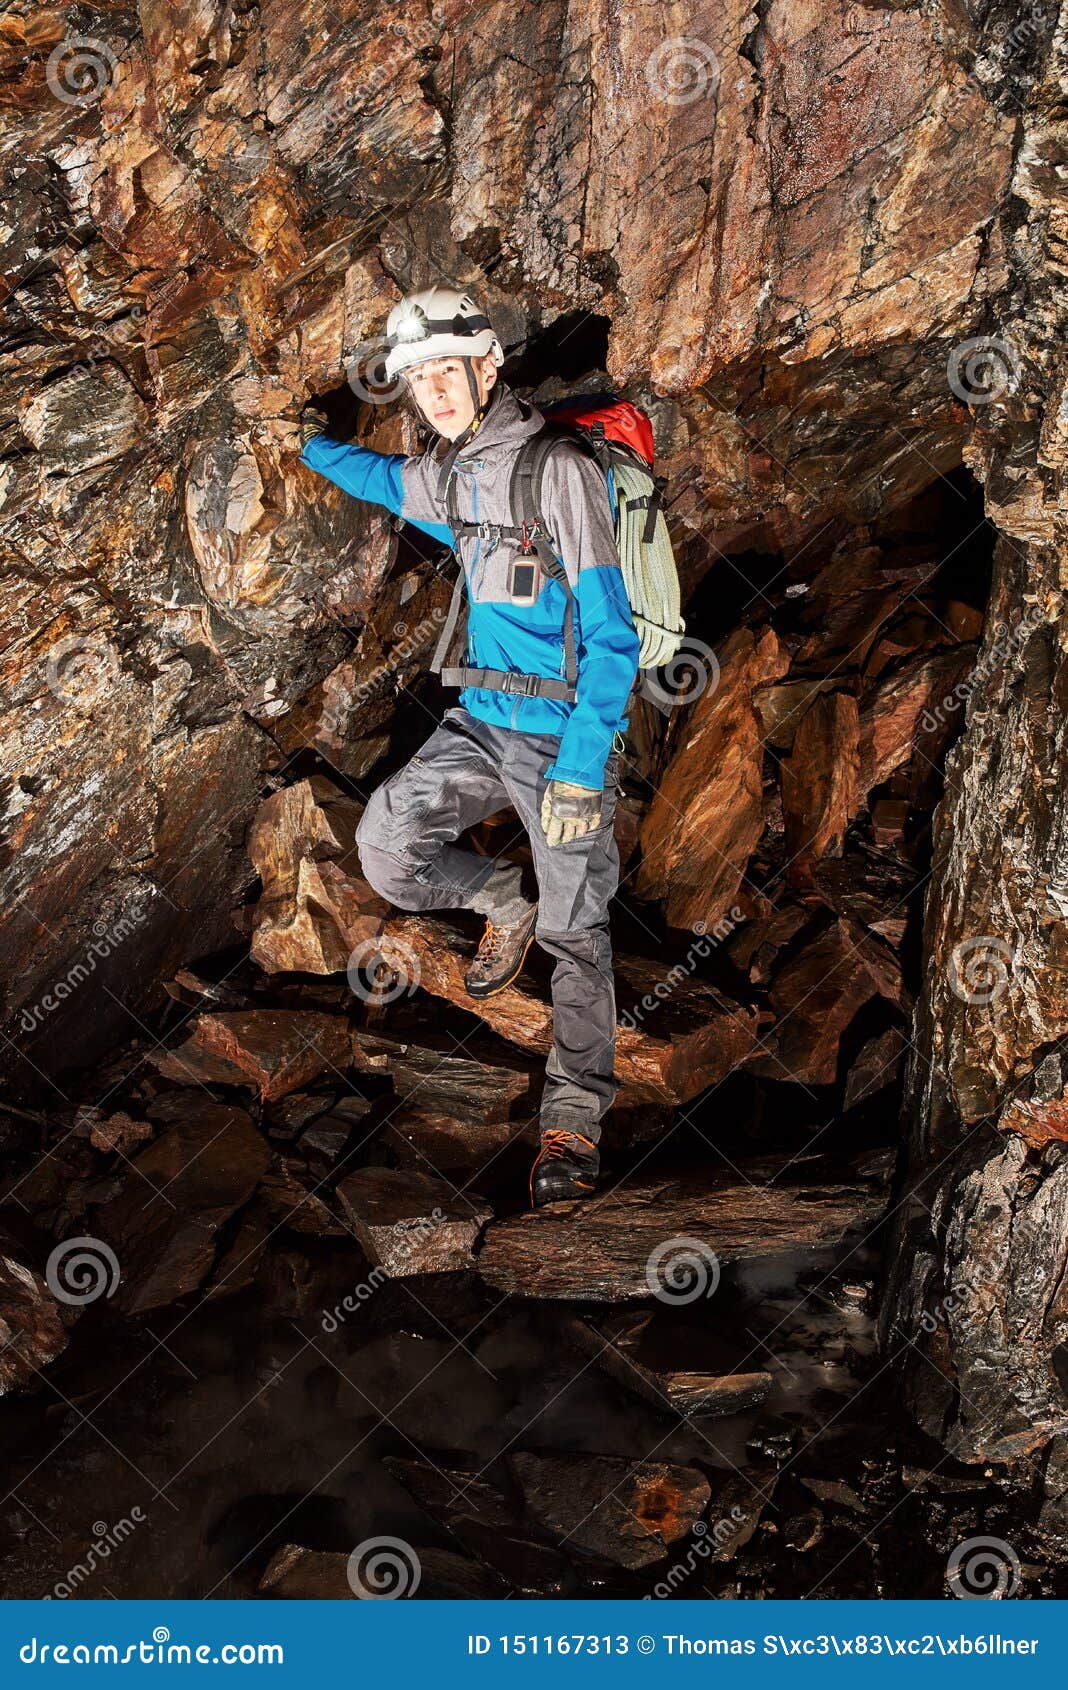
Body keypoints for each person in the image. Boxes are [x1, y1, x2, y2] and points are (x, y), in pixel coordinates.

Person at [298, 285, 640, 1205]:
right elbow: (380, 482)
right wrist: (305, 446)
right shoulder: (452, 474)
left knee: (580, 936)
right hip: (483, 723)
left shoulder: (556, 470)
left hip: (564, 736)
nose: (435, 392)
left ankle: (572, 1125)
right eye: (418, 381)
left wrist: (578, 767)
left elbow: (615, 636)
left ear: (488, 366)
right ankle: (501, 897)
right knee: (381, 845)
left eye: (448, 370)